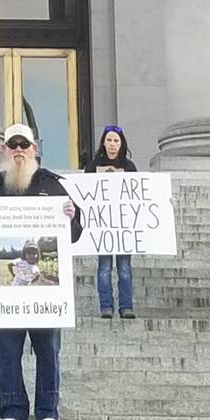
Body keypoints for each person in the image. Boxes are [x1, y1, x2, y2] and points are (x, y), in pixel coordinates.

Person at [0, 123, 84, 420]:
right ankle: (12, 412)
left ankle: (48, 413)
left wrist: (72, 216)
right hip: (9, 294)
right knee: (6, 351)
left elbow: (73, 235)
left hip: (46, 295)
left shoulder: (53, 184)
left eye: (25, 144)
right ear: (5, 150)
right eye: (13, 145)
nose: (19, 150)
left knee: (48, 350)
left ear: (35, 148)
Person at [88, 125, 137, 320]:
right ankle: (106, 307)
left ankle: (126, 307)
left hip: (124, 226)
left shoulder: (129, 167)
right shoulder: (92, 167)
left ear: (121, 143)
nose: (112, 144)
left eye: (116, 140)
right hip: (103, 226)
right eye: (109, 140)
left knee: (125, 269)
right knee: (104, 268)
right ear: (103, 143)